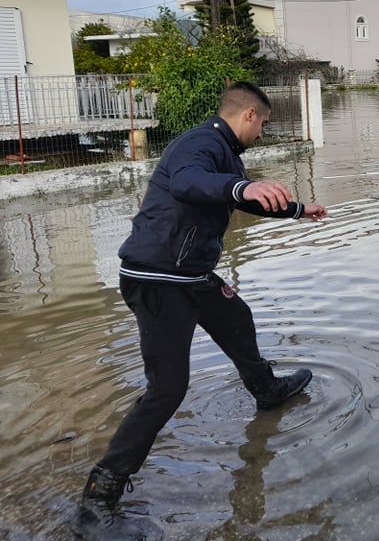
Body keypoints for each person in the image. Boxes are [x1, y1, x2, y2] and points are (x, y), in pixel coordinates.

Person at [73, 81, 328, 541]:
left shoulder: (226, 153)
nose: (263, 133)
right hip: (158, 278)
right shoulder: (200, 144)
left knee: (237, 318)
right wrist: (242, 186)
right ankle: (99, 495)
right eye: (263, 124)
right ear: (249, 115)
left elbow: (238, 197)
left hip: (190, 273)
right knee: (167, 389)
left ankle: (266, 390)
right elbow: (191, 183)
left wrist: (297, 210)